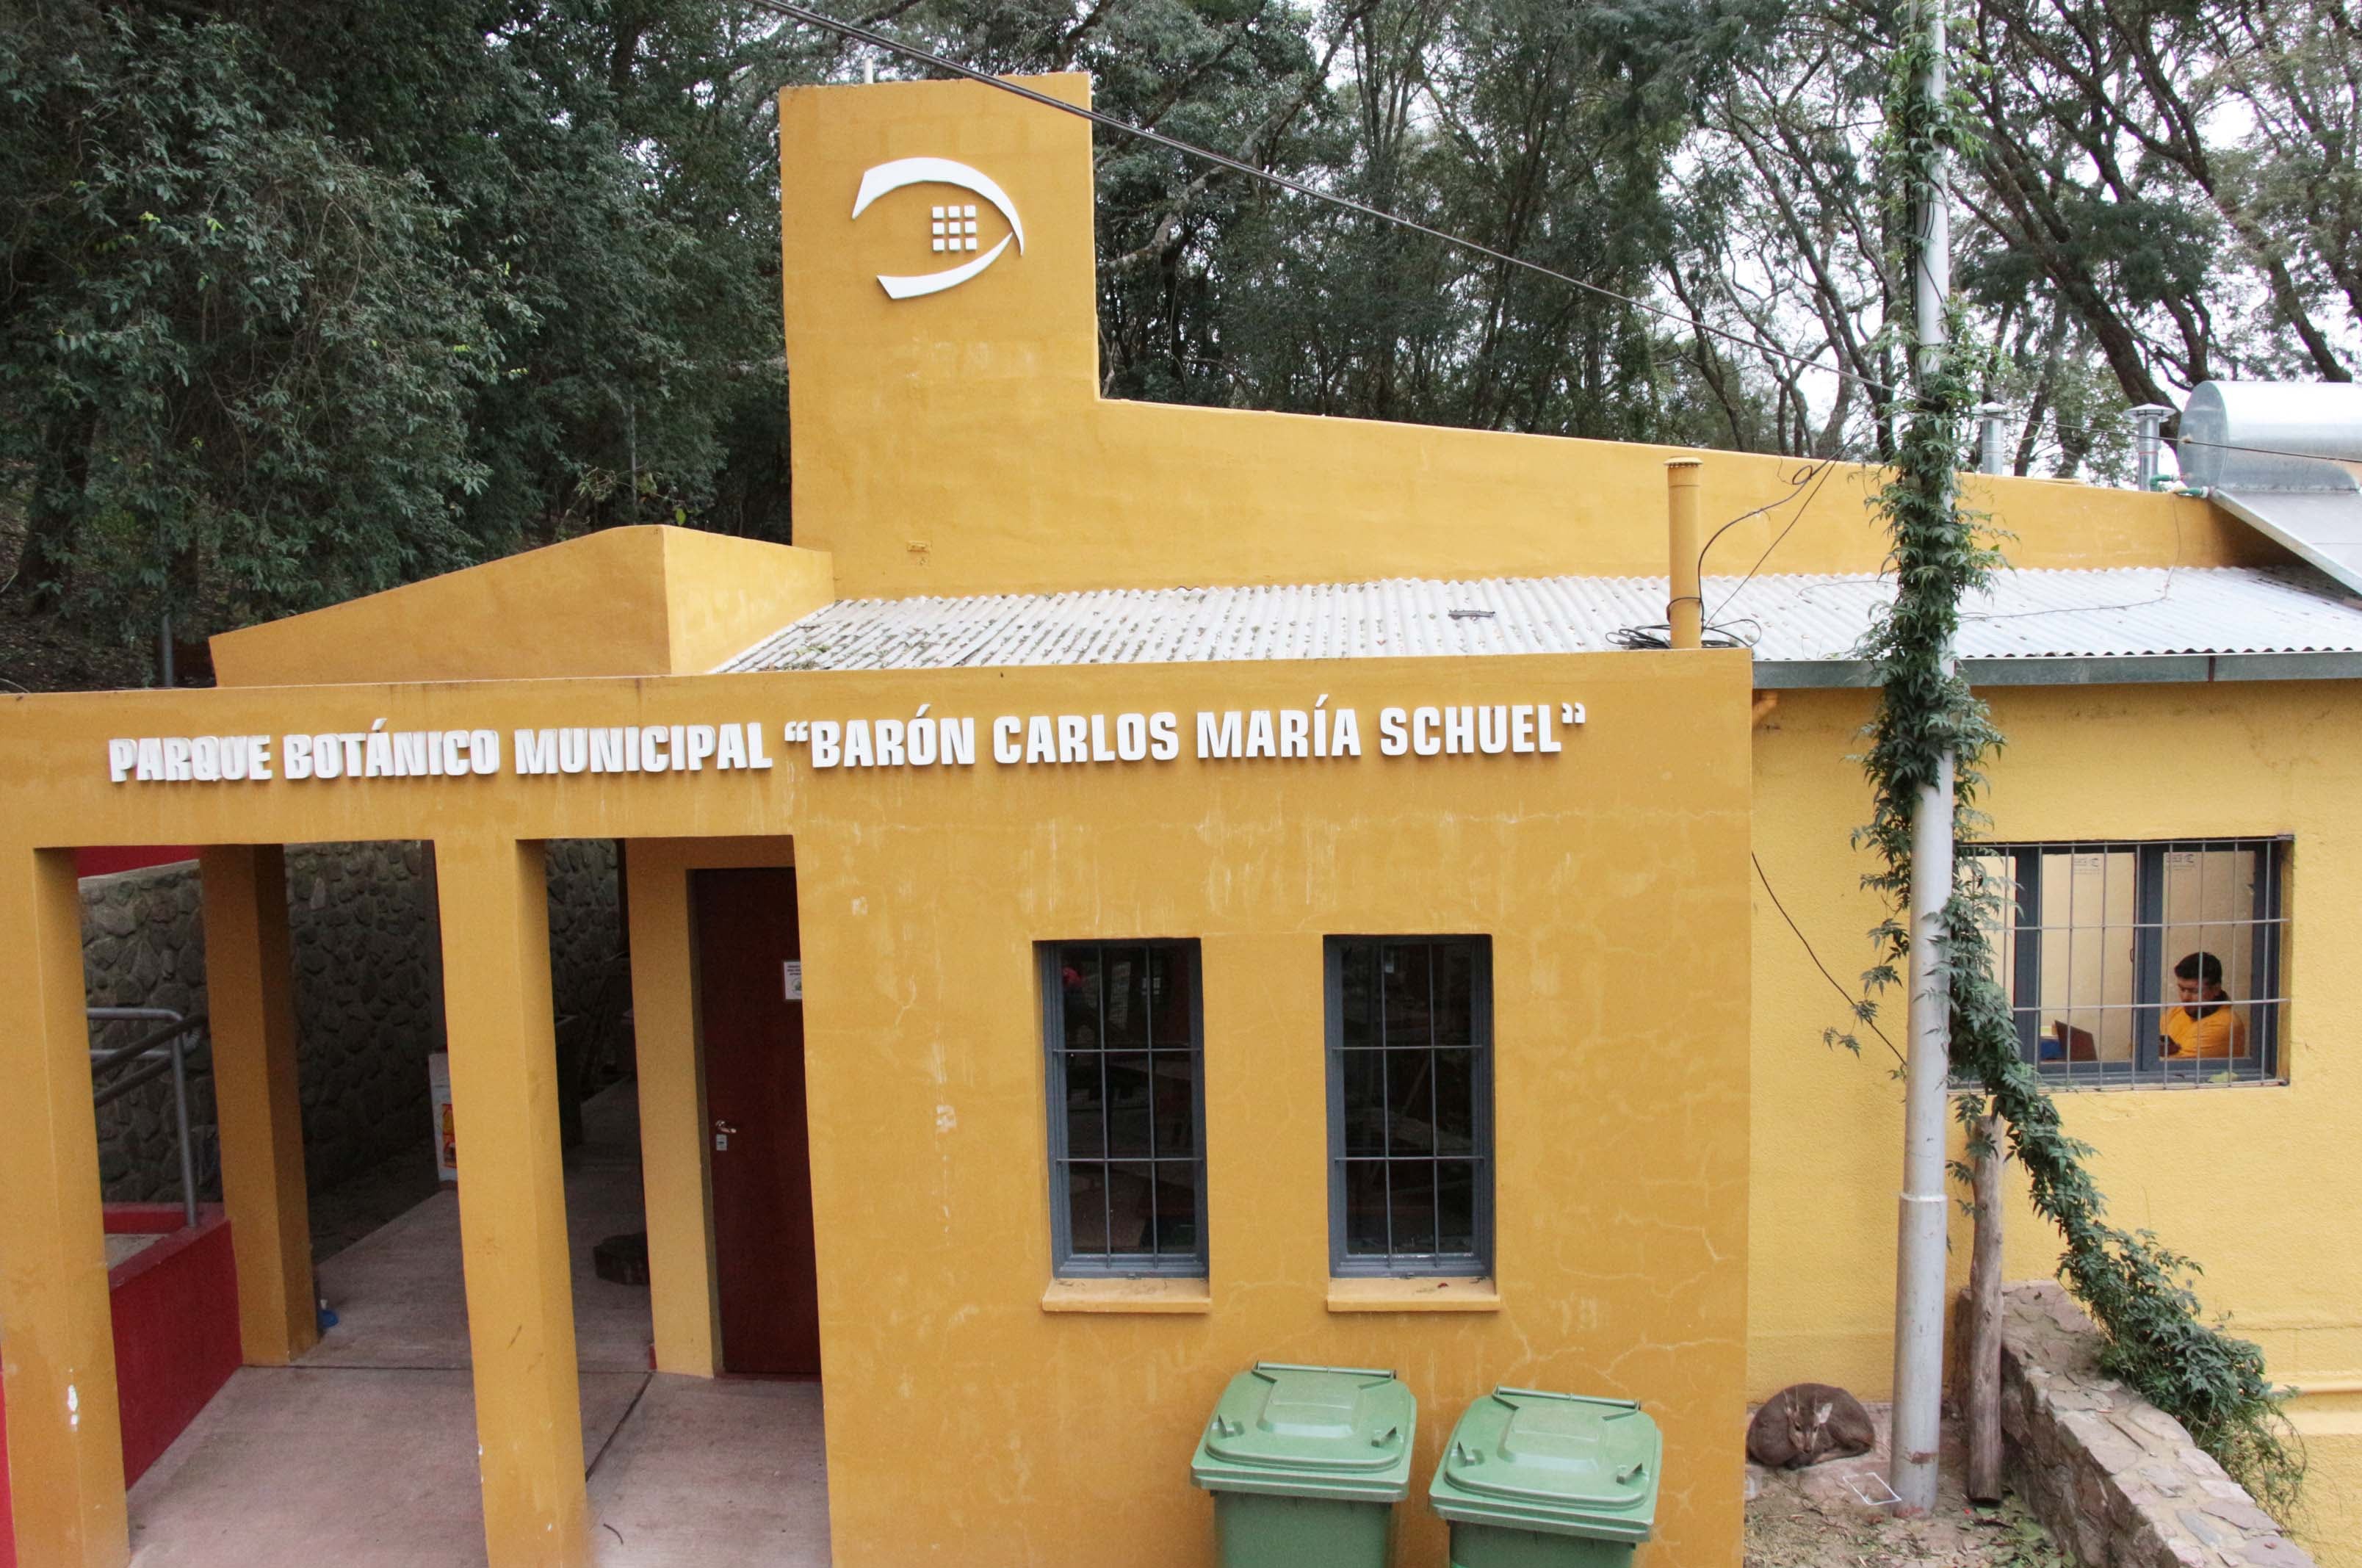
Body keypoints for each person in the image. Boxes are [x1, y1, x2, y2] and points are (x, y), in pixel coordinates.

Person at [2162, 951, 2247, 1059]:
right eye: (2182, 989)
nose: (2185, 998)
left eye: (2194, 991)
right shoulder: (2176, 1012)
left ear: (2216, 989)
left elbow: (2172, 1067)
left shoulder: (2226, 1023)